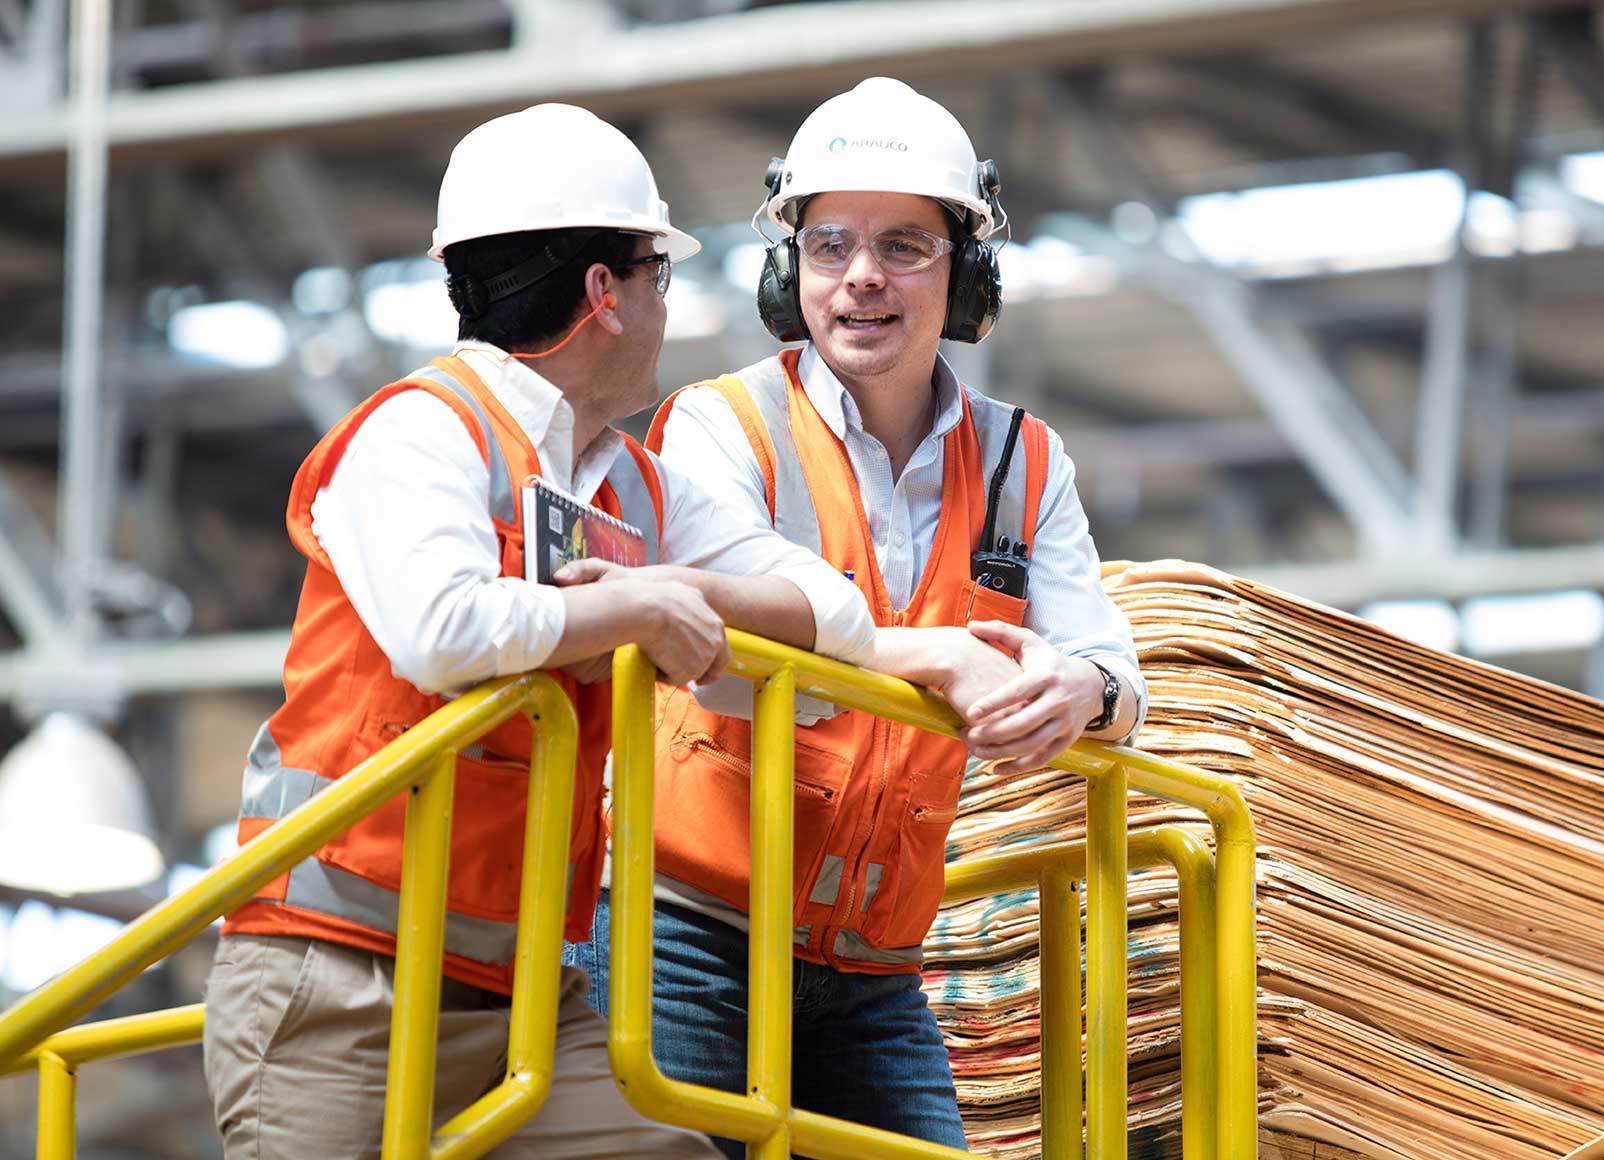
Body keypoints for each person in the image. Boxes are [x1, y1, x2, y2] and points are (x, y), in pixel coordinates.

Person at [201, 103, 878, 1159]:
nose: (667, 307)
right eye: (659, 277)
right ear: (605, 295)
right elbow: (444, 628)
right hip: (336, 976)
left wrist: (674, 588)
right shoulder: (421, 431)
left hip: (521, 997)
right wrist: (639, 604)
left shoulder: (635, 486)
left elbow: (837, 616)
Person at [561, 78, 1147, 1156]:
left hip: (874, 967)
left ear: (963, 273)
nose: (862, 279)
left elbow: (1115, 671)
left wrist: (1083, 688)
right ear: (791, 272)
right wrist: (939, 660)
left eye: (904, 247)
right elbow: (720, 656)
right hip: (683, 926)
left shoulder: (1024, 463)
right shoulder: (719, 428)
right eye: (829, 245)